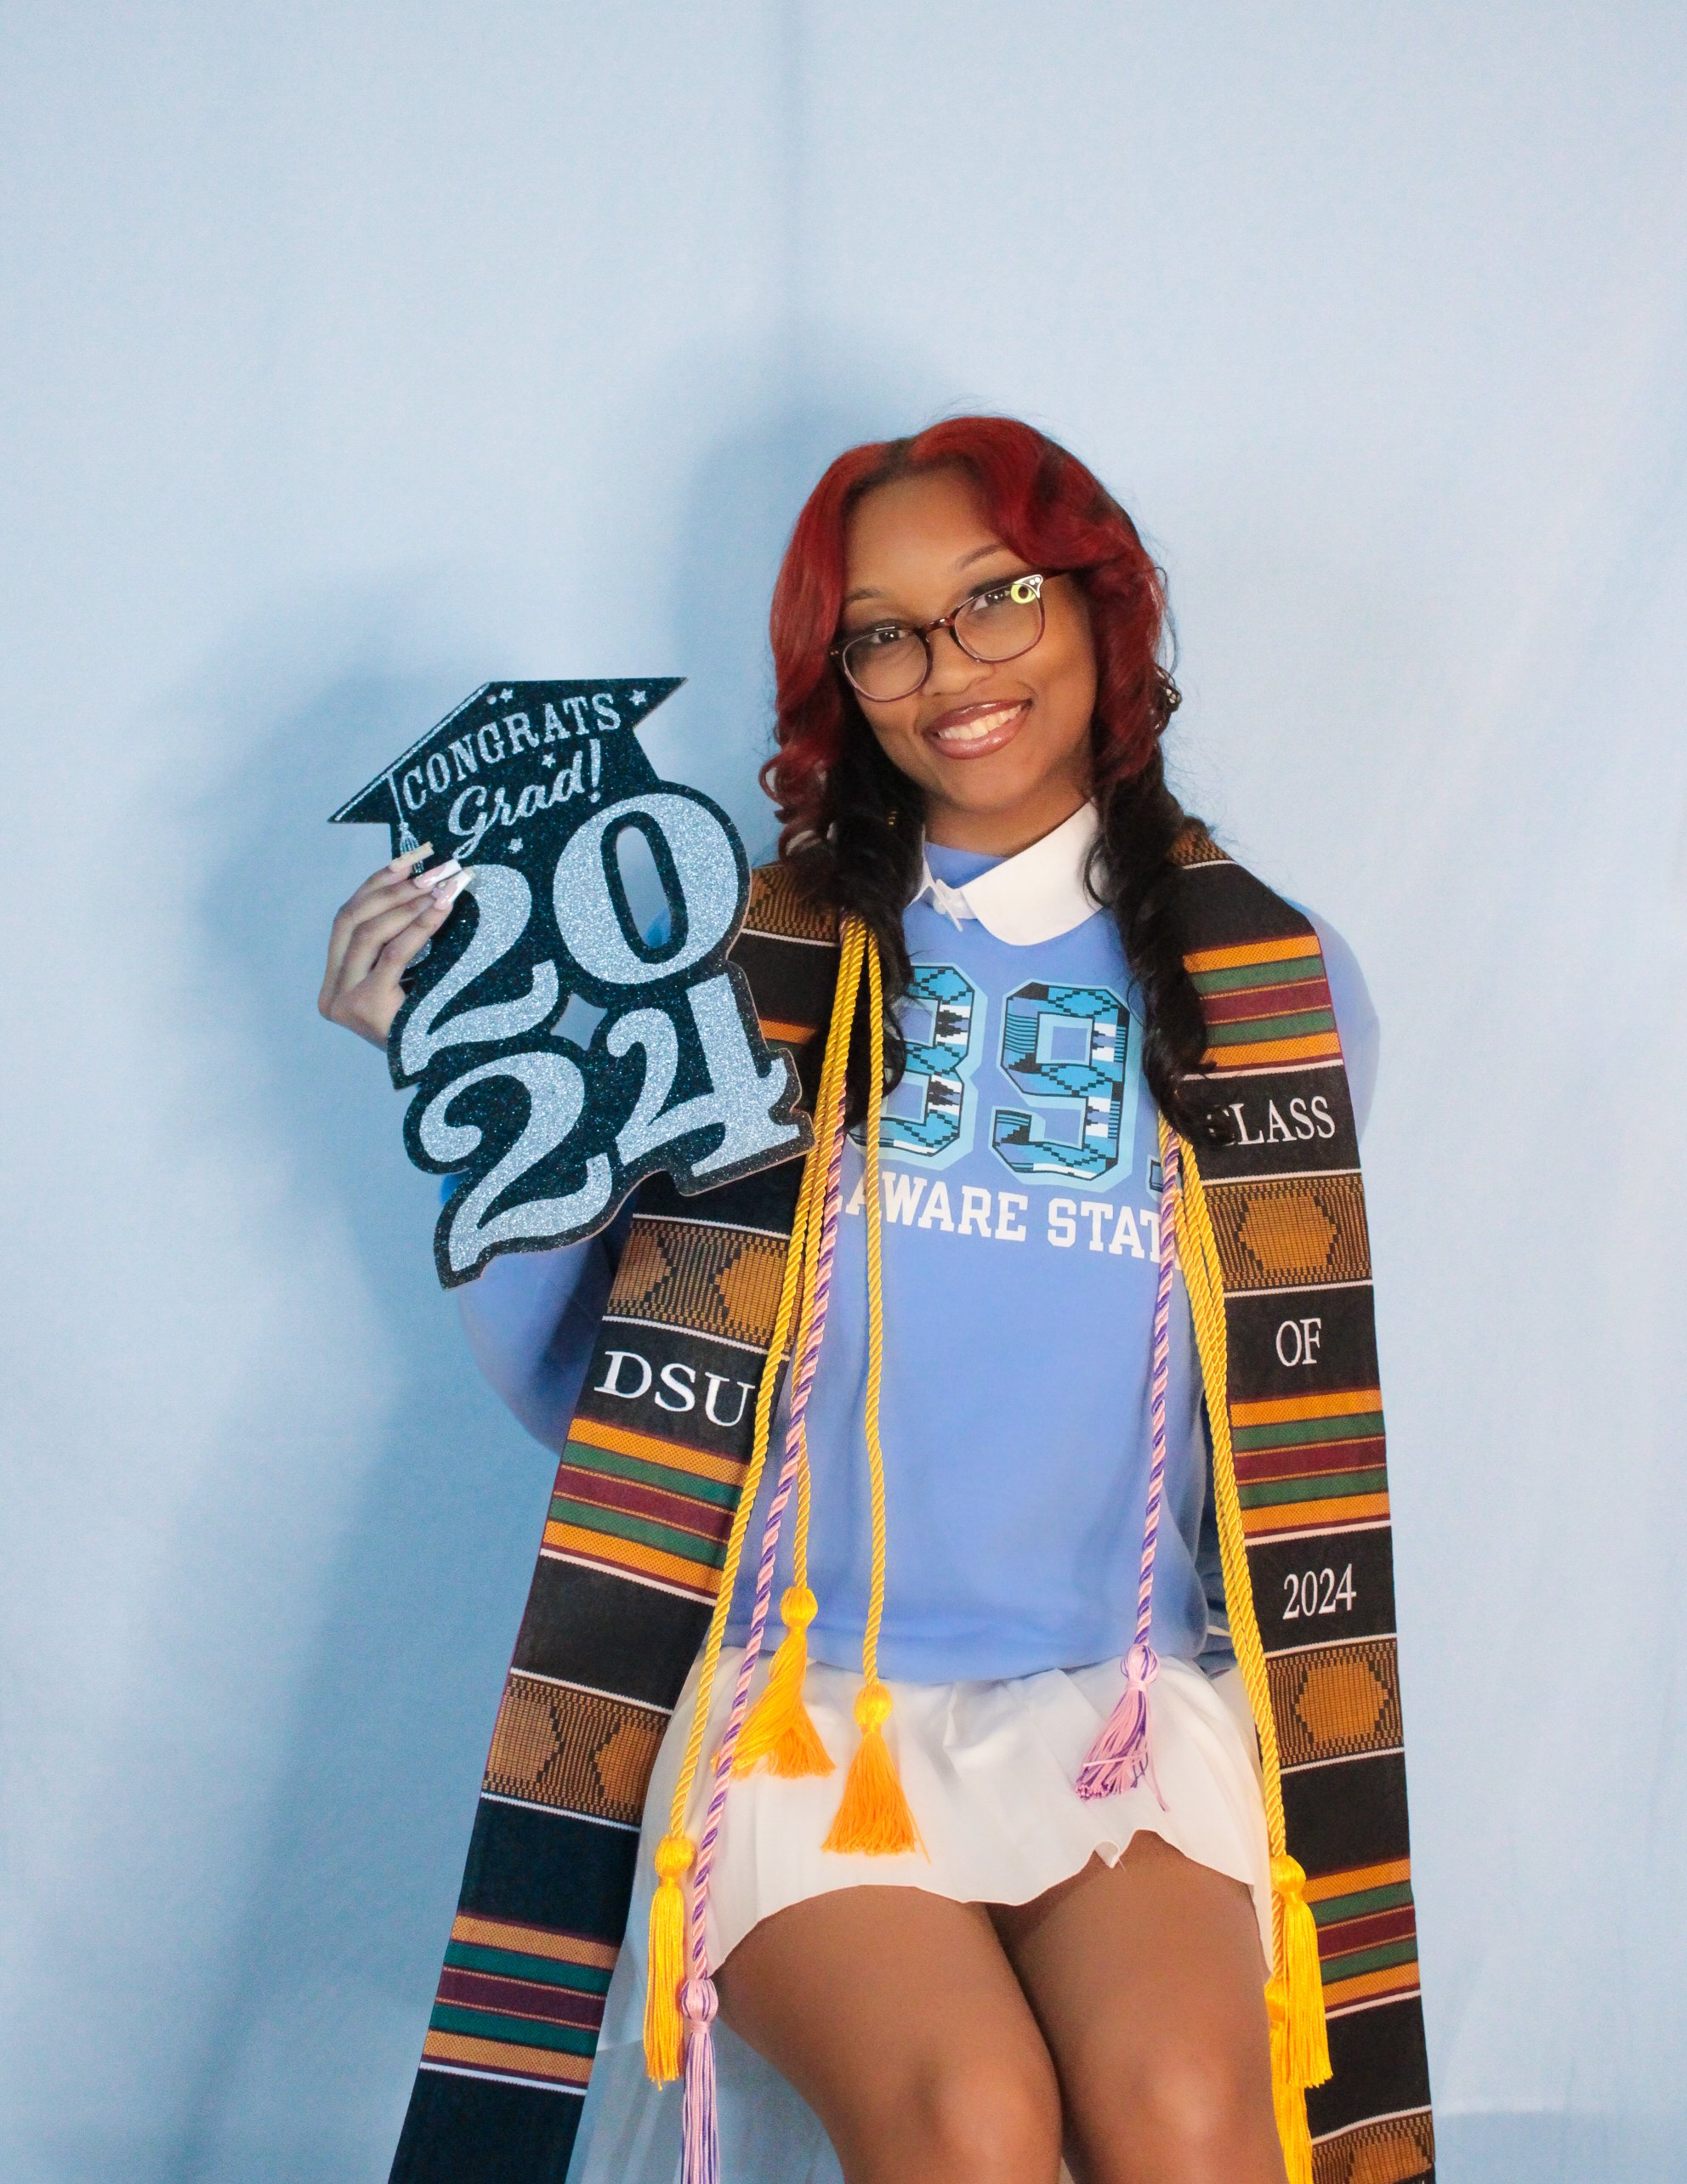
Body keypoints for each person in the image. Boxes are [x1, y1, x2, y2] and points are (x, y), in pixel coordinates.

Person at [321, 417, 1429, 2184]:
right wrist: (474, 1085)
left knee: (1192, 2117)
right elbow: (601, 1397)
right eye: (886, 631)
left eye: (995, 600)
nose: (950, 670)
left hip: (1113, 1699)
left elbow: (1267, 1408)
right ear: (839, 681)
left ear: (1098, 609)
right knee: (967, 2123)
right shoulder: (733, 968)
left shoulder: (1266, 988)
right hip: (800, 1705)